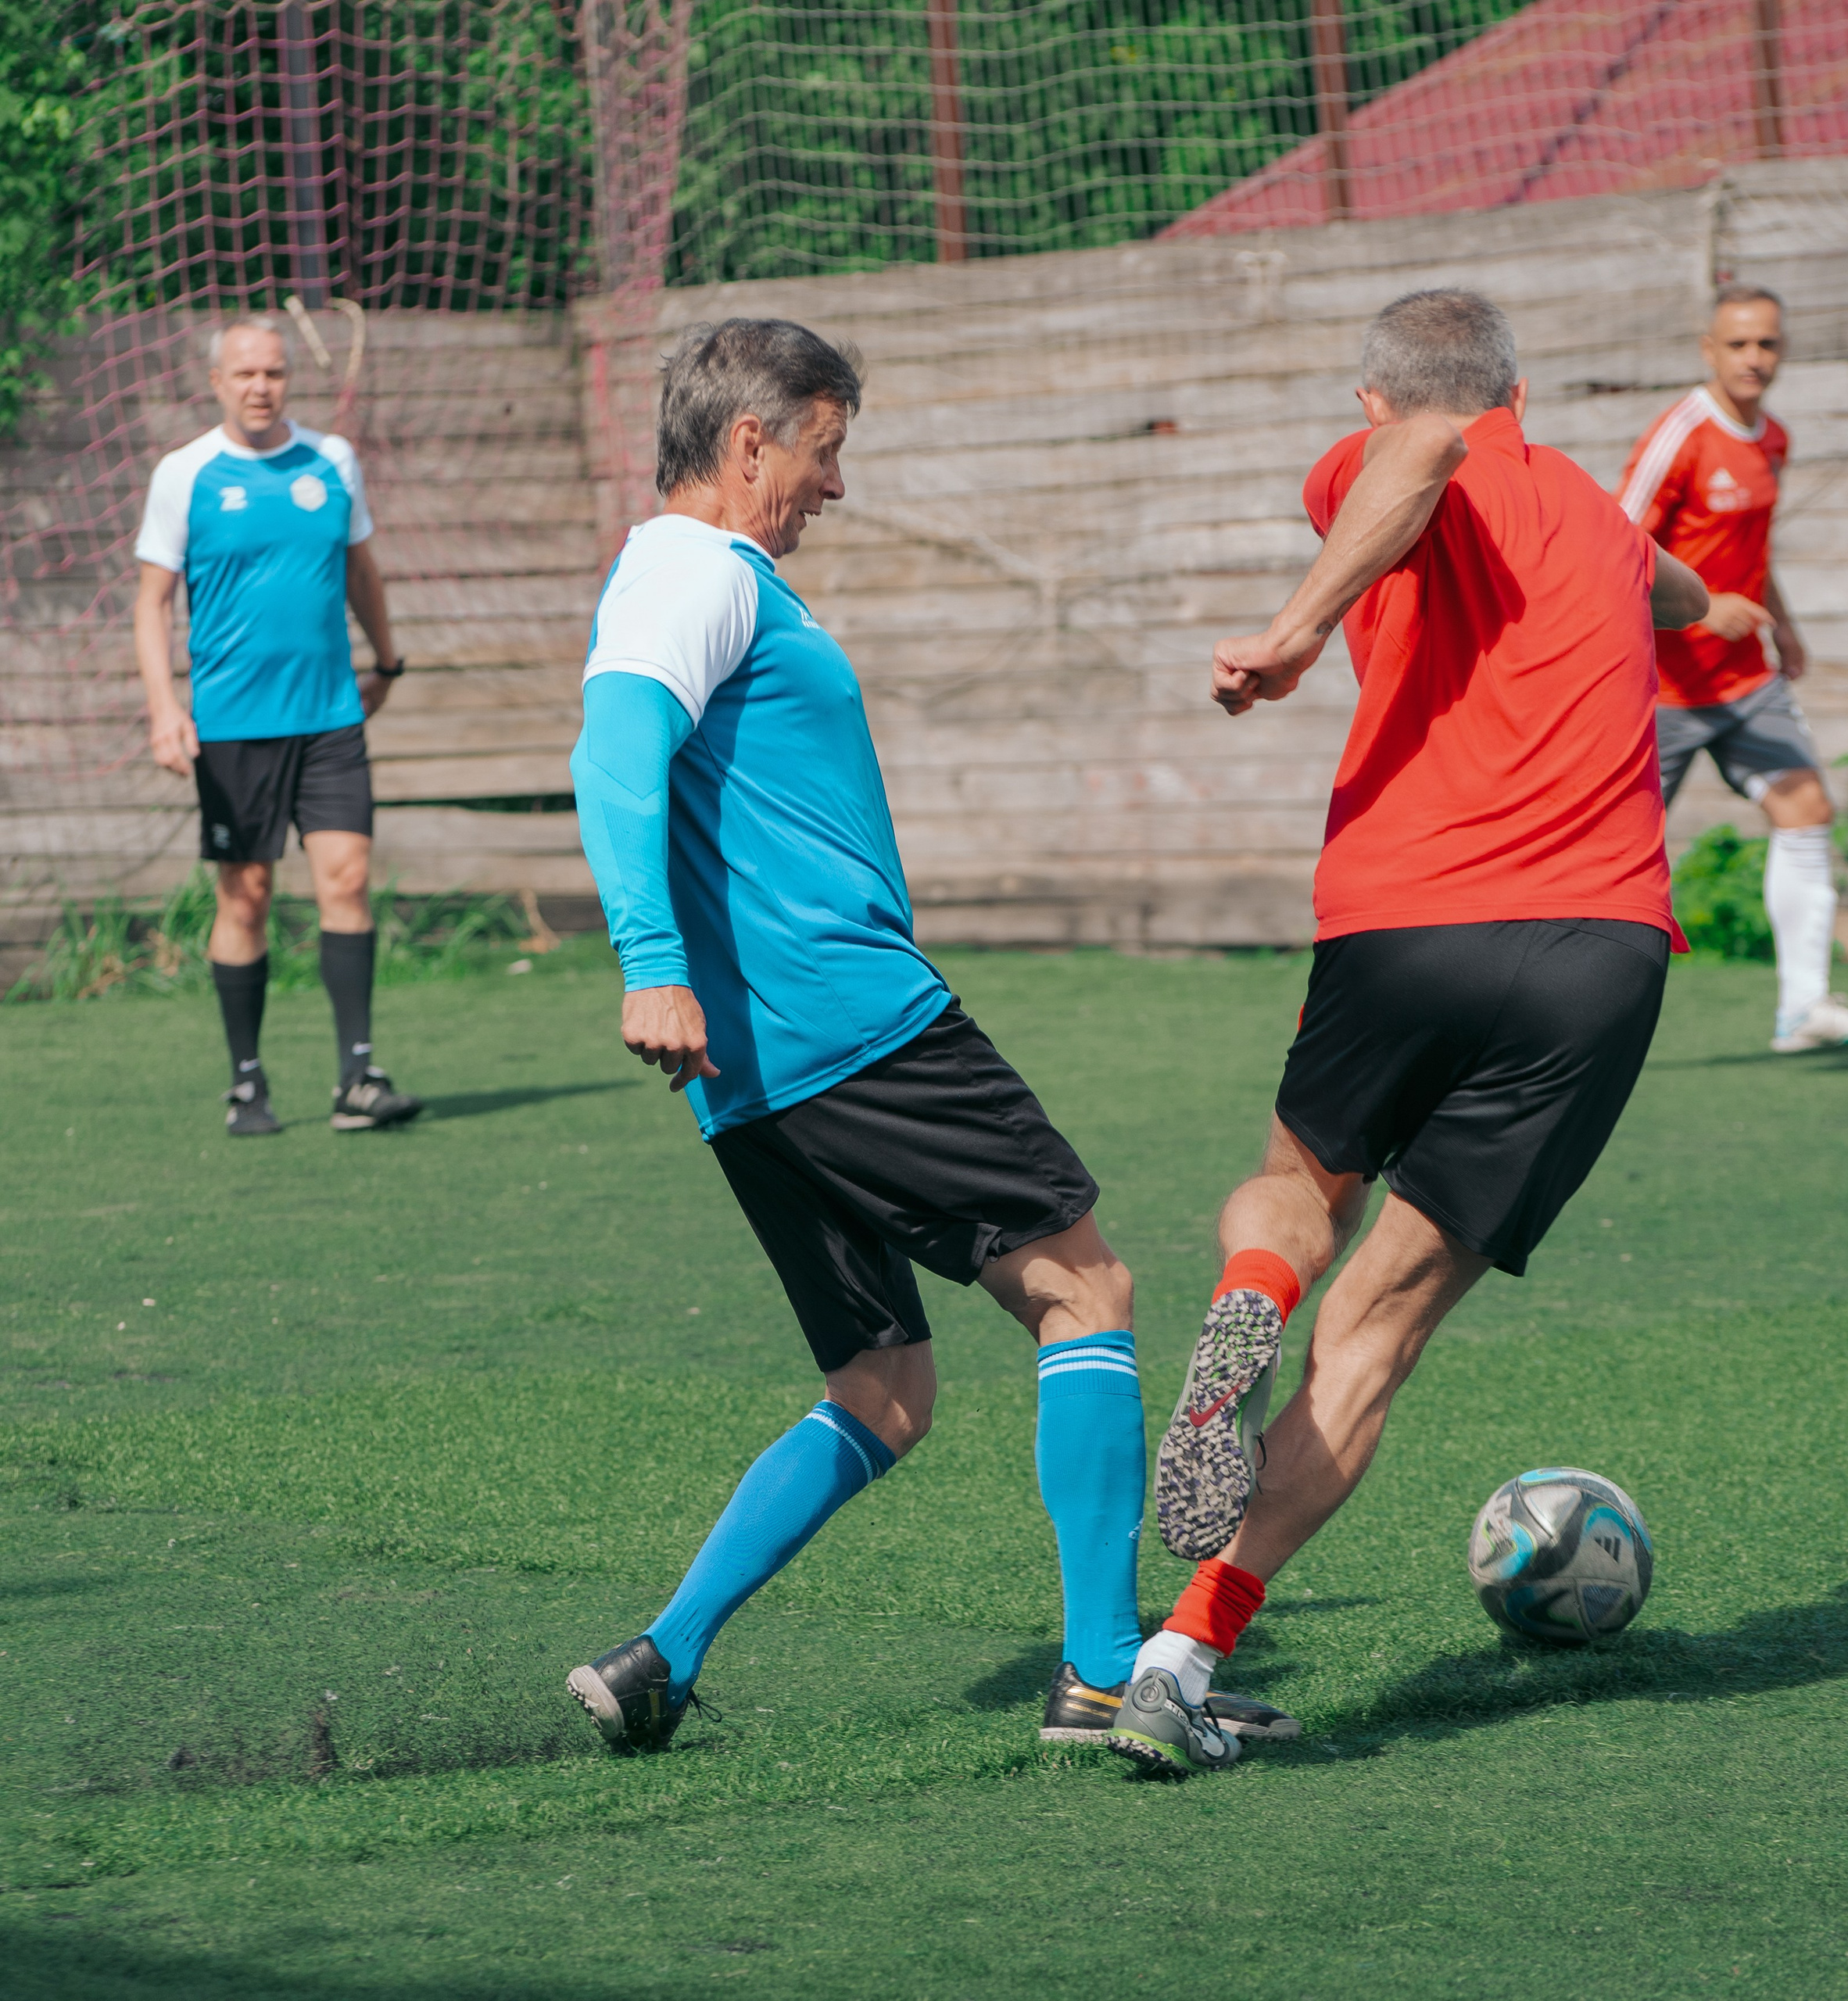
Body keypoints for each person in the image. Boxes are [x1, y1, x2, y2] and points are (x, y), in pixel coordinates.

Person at [561, 318, 1292, 1756]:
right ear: (750, 440)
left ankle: (664, 1656)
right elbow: (611, 750)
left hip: (756, 1075)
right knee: (1086, 1288)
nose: (836, 486)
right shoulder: (696, 571)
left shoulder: (700, 577)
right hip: (849, 1024)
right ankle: (1098, 1676)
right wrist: (651, 962)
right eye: (826, 452)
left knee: (883, 1394)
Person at [1105, 289, 1711, 1777]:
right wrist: (1711, 604)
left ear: (1365, 402)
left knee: (1300, 1192)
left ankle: (1254, 1289)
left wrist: (1303, 628)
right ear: (1524, 393)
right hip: (1598, 950)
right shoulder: (1554, 496)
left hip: (1409, 921)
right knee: (1378, 1331)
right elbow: (1528, 497)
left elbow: (1444, 456)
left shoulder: (1392, 451)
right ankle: (1184, 1658)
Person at [134, 314, 423, 1134]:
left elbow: (360, 570)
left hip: (330, 715)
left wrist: (388, 661)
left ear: (287, 379)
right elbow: (151, 603)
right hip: (231, 726)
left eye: (273, 373)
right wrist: (164, 708)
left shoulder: (332, 461)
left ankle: (358, 1078)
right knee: (249, 895)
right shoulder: (184, 474)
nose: (260, 387)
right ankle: (247, 1083)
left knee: (347, 880)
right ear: (217, 382)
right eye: (245, 374)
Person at [1618, 285, 1848, 1054]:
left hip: (1745, 679)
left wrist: (1787, 630)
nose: (1754, 358)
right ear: (1708, 350)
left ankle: (1803, 1010)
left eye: (1767, 343)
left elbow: (1752, 554)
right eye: (1737, 344)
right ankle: (1545, 1016)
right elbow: (1611, 552)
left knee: (1805, 807)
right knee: (1612, 851)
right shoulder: (1679, 436)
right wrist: (1702, 610)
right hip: (1658, 688)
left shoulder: (1773, 437)